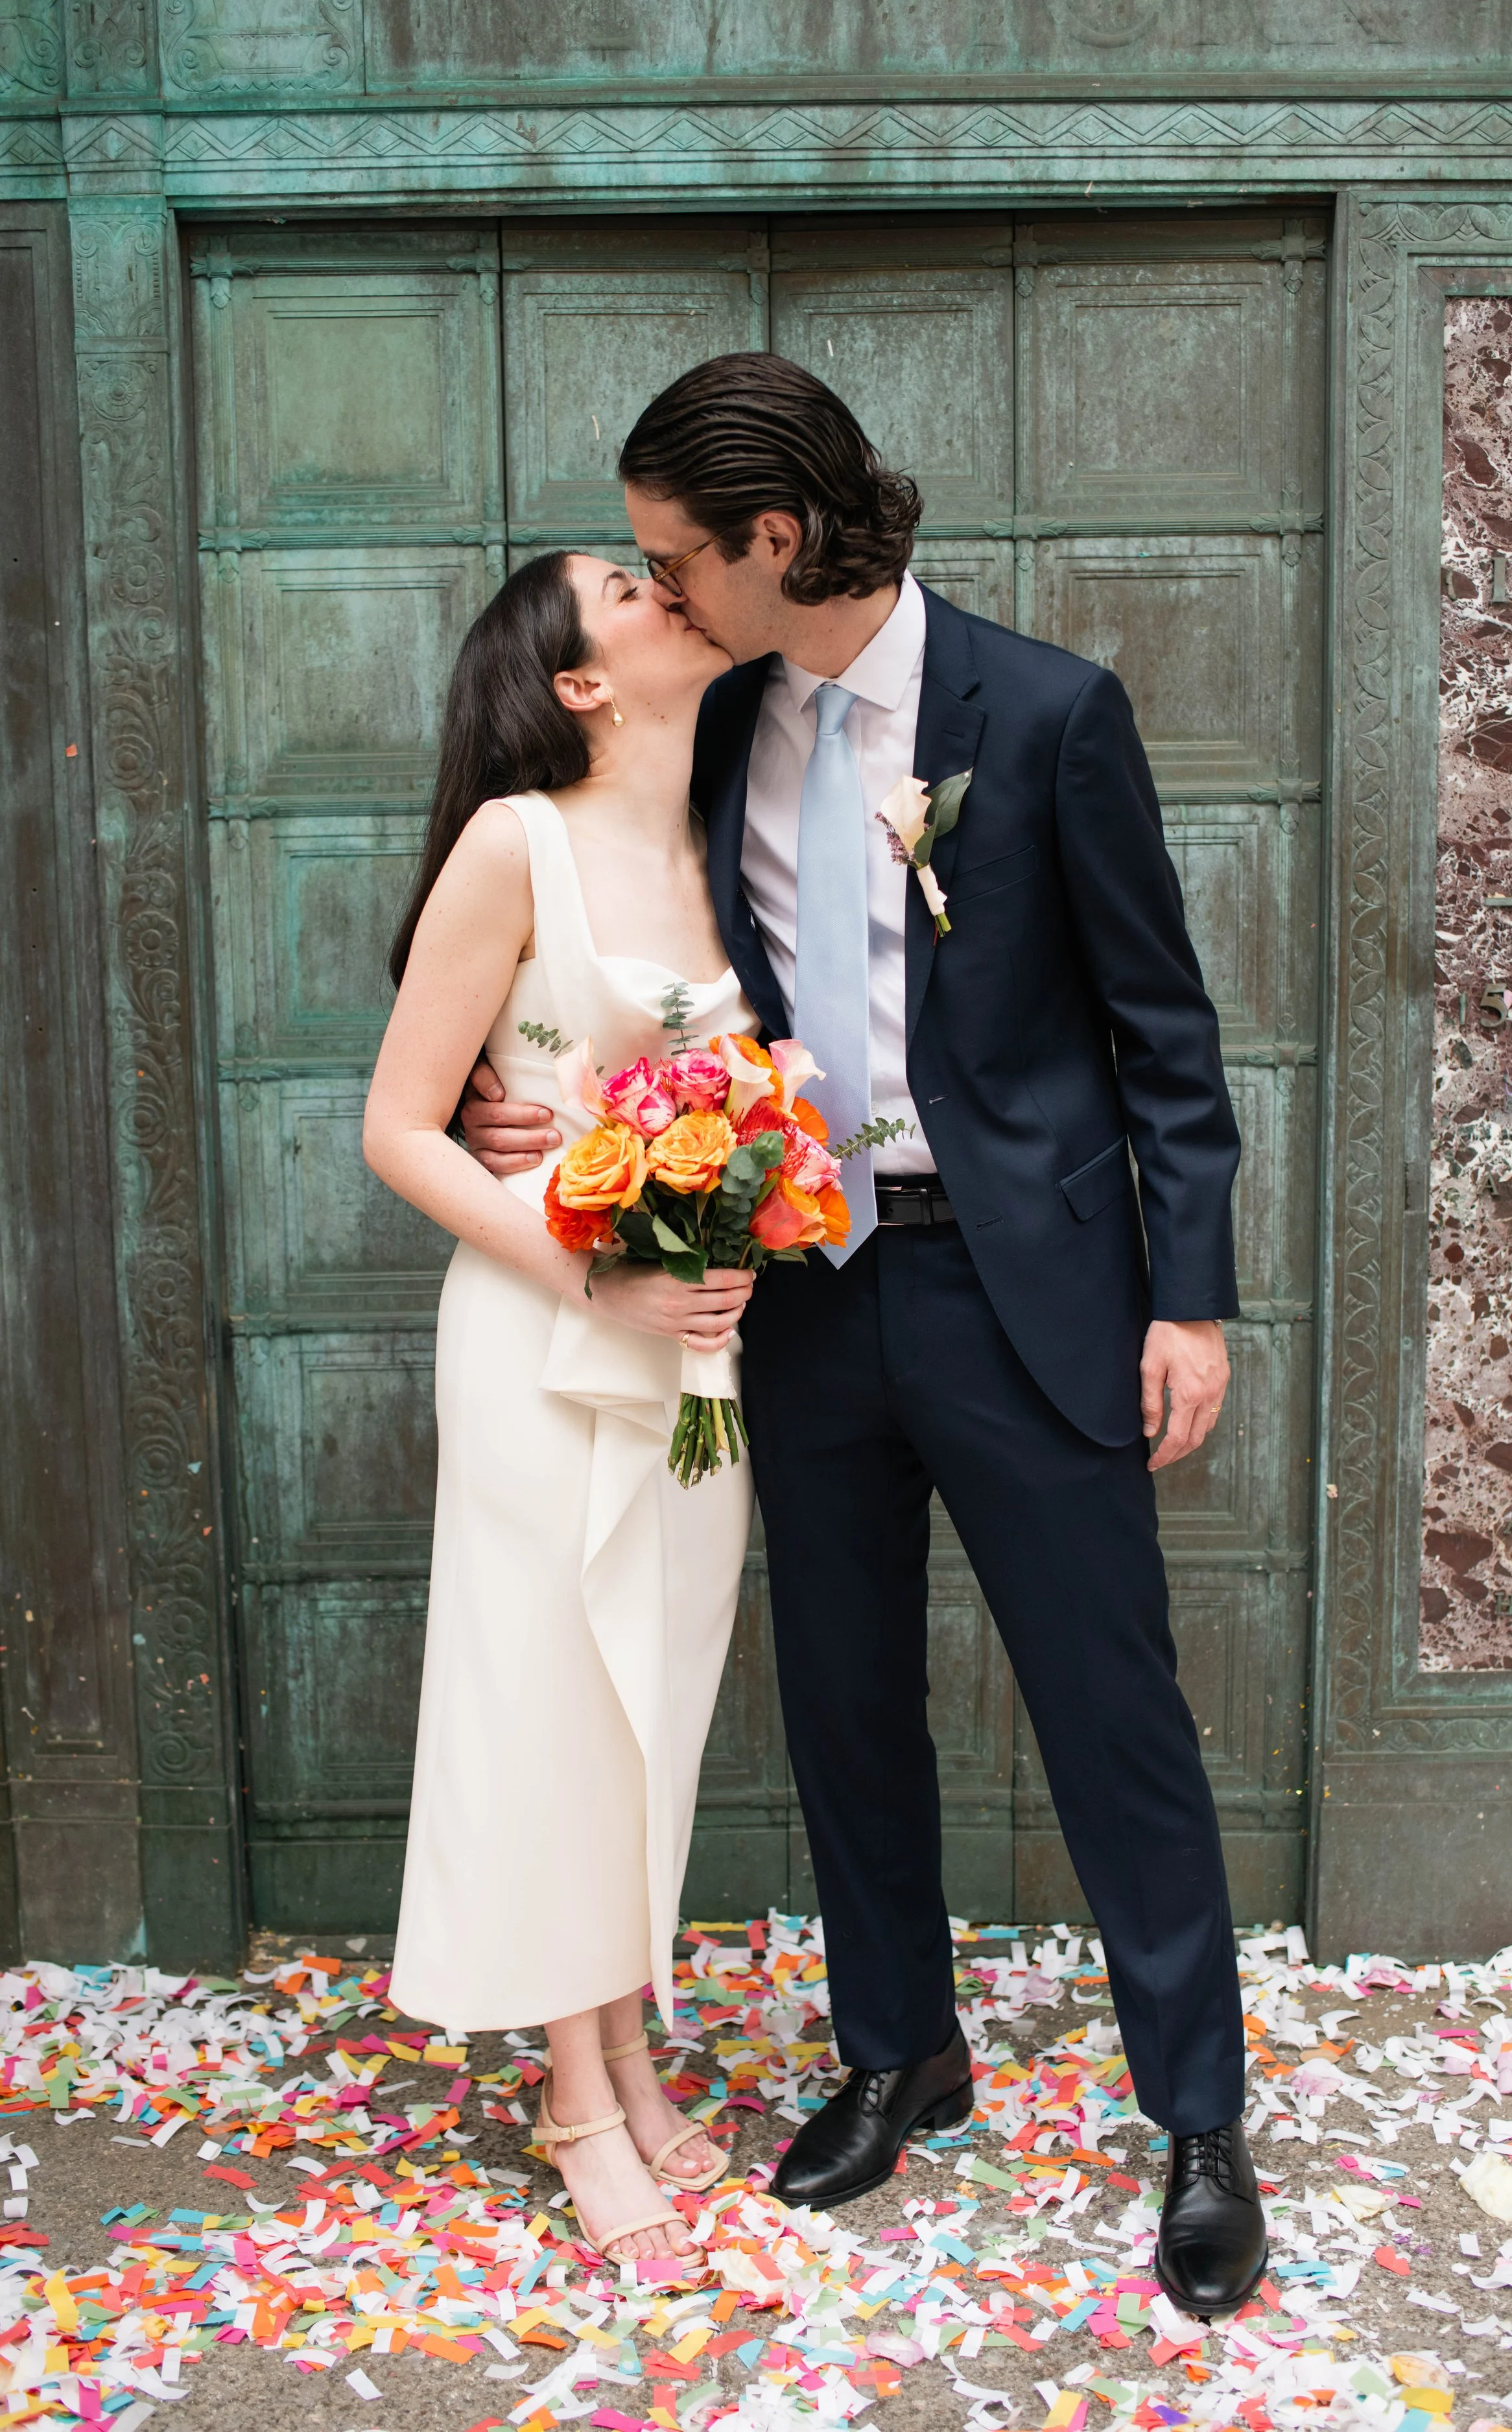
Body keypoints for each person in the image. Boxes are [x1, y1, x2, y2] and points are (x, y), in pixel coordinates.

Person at [460, 354, 1266, 2313]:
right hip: (802, 1296)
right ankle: (900, 2048)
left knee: (1110, 1705)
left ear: (776, 540)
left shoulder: (1047, 714)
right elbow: (619, 945)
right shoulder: (716, 719)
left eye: (674, 558)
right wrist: (534, 1113)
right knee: (841, 1699)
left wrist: (1191, 1294)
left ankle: (1201, 2115)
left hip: (1030, 1296)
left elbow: (1162, 1036)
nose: (652, 592)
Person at [363, 548, 761, 2265]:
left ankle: (620, 2049)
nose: (664, 582)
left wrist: (751, 1219)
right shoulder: (511, 839)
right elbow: (401, 1129)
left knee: (644, 1701)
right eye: (623, 583)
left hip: (697, 1352)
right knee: (545, 1696)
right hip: (544, 1334)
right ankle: (576, 2100)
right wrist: (602, 1274)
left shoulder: (733, 839)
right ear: (576, 676)